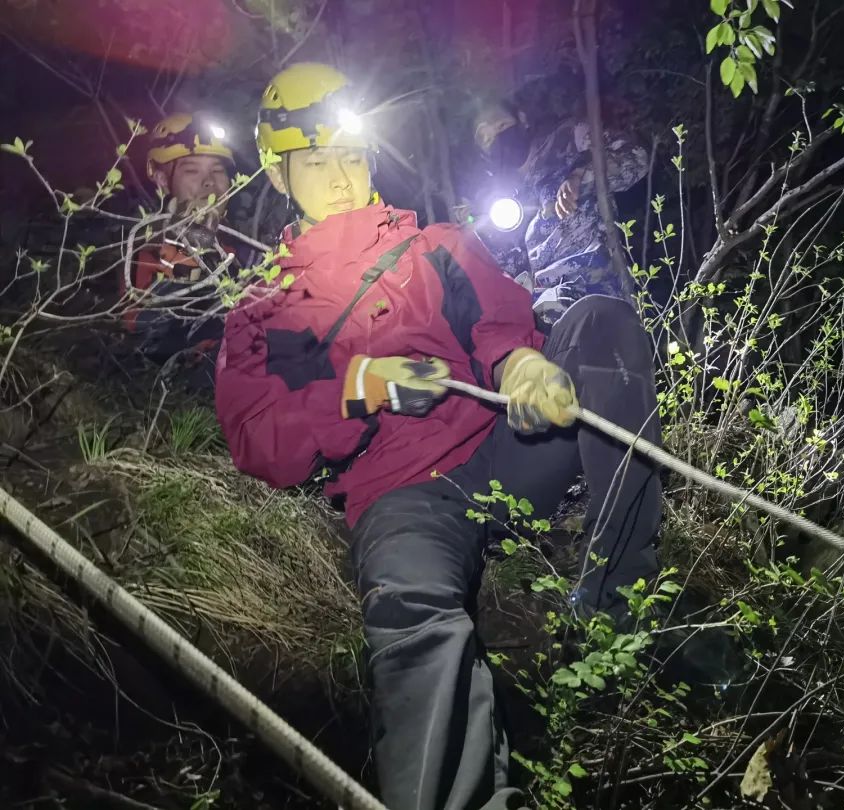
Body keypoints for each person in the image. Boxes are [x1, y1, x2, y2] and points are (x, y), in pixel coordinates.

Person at [214, 63, 663, 810]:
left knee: (600, 323)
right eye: (316, 162)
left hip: (503, 450)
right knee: (413, 614)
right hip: (401, 495)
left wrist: (523, 365)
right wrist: (360, 389)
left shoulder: (436, 246)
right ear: (280, 173)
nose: (340, 178)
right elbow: (257, 438)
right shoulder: (268, 308)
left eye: (351, 156)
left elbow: (497, 322)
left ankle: (619, 604)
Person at [472, 100, 649, 325]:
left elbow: (637, 158)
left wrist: (581, 174)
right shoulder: (500, 199)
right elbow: (506, 272)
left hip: (599, 289)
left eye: (501, 125)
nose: (498, 138)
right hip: (545, 313)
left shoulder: (568, 138)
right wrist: (478, 235)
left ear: (521, 119)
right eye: (487, 139)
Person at [122, 111, 239, 378]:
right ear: (163, 179)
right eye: (191, 170)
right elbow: (139, 332)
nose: (209, 181)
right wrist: (193, 252)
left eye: (217, 170)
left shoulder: (240, 242)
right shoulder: (144, 244)